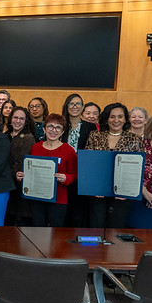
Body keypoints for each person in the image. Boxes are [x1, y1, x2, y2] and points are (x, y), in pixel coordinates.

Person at [84, 102, 143, 228]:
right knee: (96, 228)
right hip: (98, 192)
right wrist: (95, 187)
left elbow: (137, 169)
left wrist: (126, 192)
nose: (116, 120)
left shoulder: (134, 139)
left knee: (115, 231)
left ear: (125, 119)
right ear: (107, 118)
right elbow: (89, 164)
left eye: (120, 116)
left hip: (122, 194)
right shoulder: (95, 135)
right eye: (112, 117)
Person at [16, 114, 77, 227]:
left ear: (62, 132)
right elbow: (31, 170)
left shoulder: (68, 150)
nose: (54, 130)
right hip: (37, 197)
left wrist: (66, 178)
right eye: (50, 126)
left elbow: (74, 175)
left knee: (56, 234)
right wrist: (22, 176)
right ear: (44, 129)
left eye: (58, 127)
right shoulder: (36, 147)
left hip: (58, 199)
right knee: (38, 231)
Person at [59, 93, 96, 227]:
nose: (75, 106)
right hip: (62, 175)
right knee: (62, 214)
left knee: (78, 214)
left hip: (82, 176)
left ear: (82, 107)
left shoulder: (90, 127)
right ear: (67, 106)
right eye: (71, 104)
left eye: (78, 104)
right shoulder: (60, 126)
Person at [6, 106, 36, 226]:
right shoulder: (4, 135)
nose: (18, 121)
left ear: (26, 121)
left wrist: (5, 176)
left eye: (21, 119)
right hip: (3, 185)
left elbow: (21, 162)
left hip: (17, 185)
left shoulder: (28, 138)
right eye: (15, 117)